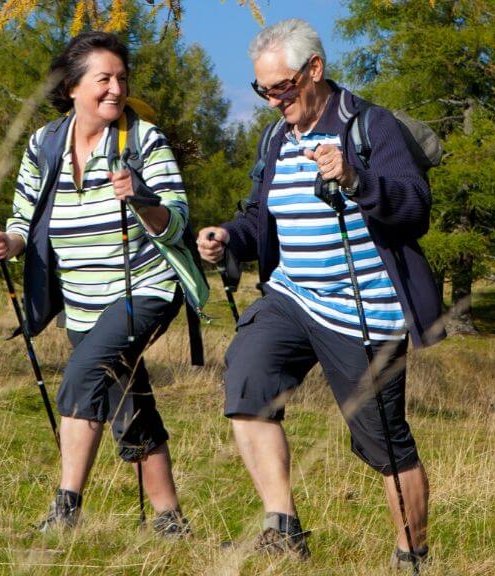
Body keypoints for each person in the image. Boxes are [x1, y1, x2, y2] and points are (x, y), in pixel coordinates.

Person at [197, 19, 442, 569]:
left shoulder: (369, 126)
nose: (271, 101)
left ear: (315, 70)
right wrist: (227, 237)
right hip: (291, 296)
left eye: (281, 87)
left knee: (383, 441)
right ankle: (282, 528)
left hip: (363, 308)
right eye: (262, 90)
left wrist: (357, 181)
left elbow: (415, 208)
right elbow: (260, 217)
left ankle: (413, 556)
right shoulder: (277, 138)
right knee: (247, 380)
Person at [0, 31, 205, 537]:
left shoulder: (144, 141)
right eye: (103, 78)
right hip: (81, 304)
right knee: (130, 398)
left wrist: (141, 200)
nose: (115, 89)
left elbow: (176, 222)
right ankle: (171, 521)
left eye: (121, 79)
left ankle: (65, 511)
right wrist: (6, 243)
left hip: (145, 291)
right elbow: (24, 220)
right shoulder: (45, 143)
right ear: (72, 87)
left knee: (84, 375)